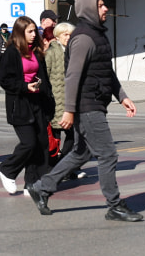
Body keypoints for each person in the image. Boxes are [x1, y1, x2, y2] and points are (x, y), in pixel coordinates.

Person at [27, 0, 143, 222]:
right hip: (87, 105)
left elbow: (105, 71)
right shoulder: (83, 39)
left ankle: (42, 187)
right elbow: (72, 76)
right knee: (108, 153)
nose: (105, 8)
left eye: (104, 4)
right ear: (89, 10)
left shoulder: (97, 35)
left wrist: (122, 96)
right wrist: (69, 110)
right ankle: (114, 204)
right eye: (100, 5)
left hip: (94, 102)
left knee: (81, 152)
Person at [0, 16, 54, 195]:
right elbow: (3, 79)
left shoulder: (36, 51)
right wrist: (24, 86)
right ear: (20, 33)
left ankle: (33, 182)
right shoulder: (12, 52)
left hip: (37, 102)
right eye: (29, 31)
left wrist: (48, 98)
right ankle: (8, 170)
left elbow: (43, 76)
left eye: (34, 31)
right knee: (29, 143)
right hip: (20, 103)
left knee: (42, 143)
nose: (33, 34)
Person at [46, 22, 84, 179]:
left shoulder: (73, 52)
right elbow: (45, 76)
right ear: (57, 36)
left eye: (70, 35)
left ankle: (64, 167)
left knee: (73, 136)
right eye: (65, 35)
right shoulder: (51, 53)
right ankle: (55, 169)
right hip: (56, 102)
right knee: (55, 138)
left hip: (71, 101)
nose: (68, 38)